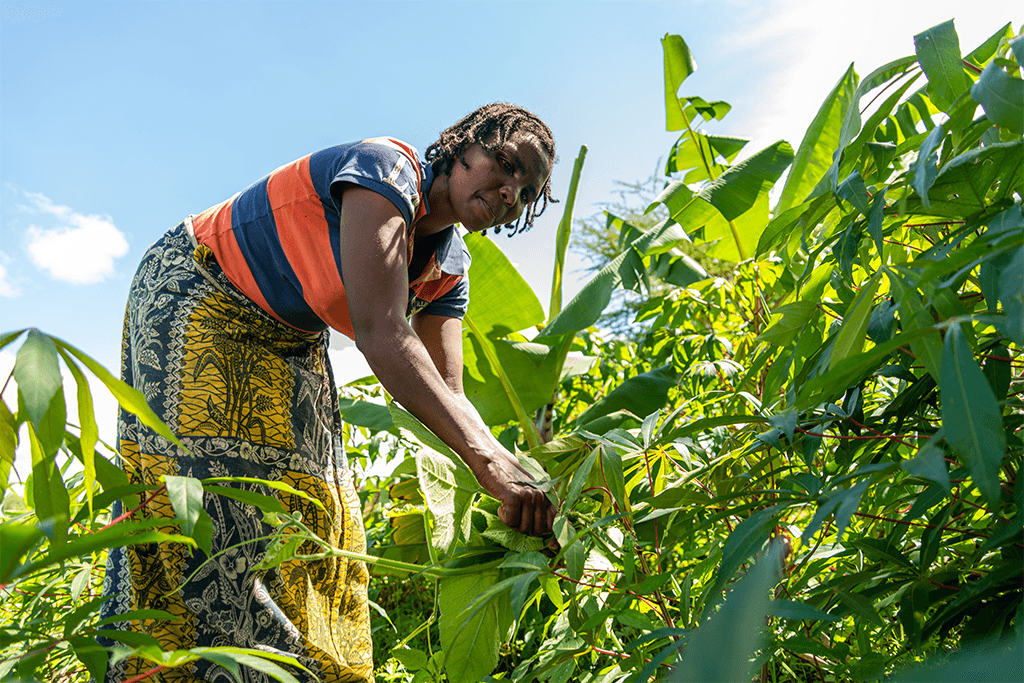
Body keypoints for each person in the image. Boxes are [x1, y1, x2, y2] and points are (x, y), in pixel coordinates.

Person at [98, 102, 558, 683]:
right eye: (506, 163)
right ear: (465, 144)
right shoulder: (386, 173)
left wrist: (518, 477)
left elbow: (448, 392)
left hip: (290, 334)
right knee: (204, 501)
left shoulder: (450, 264)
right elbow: (383, 332)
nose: (511, 191)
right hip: (201, 290)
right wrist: (491, 463)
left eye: (528, 189)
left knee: (322, 509)